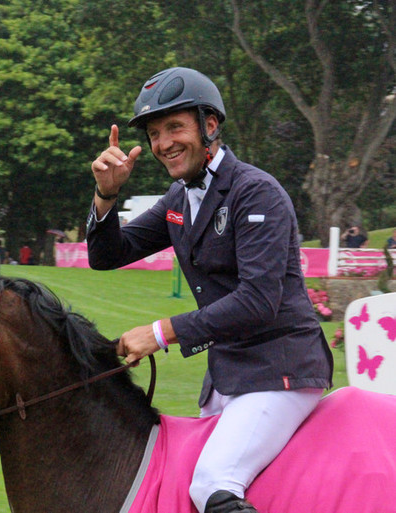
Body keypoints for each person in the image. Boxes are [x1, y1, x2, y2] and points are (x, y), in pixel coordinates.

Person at [86, 67, 333, 513]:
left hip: (281, 370)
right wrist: (106, 196)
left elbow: (258, 301)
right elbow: (108, 255)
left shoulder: (257, 193)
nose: (164, 144)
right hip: (227, 376)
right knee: (188, 489)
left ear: (210, 126)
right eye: (156, 133)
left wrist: (160, 331)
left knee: (212, 483)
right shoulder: (179, 200)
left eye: (176, 127)